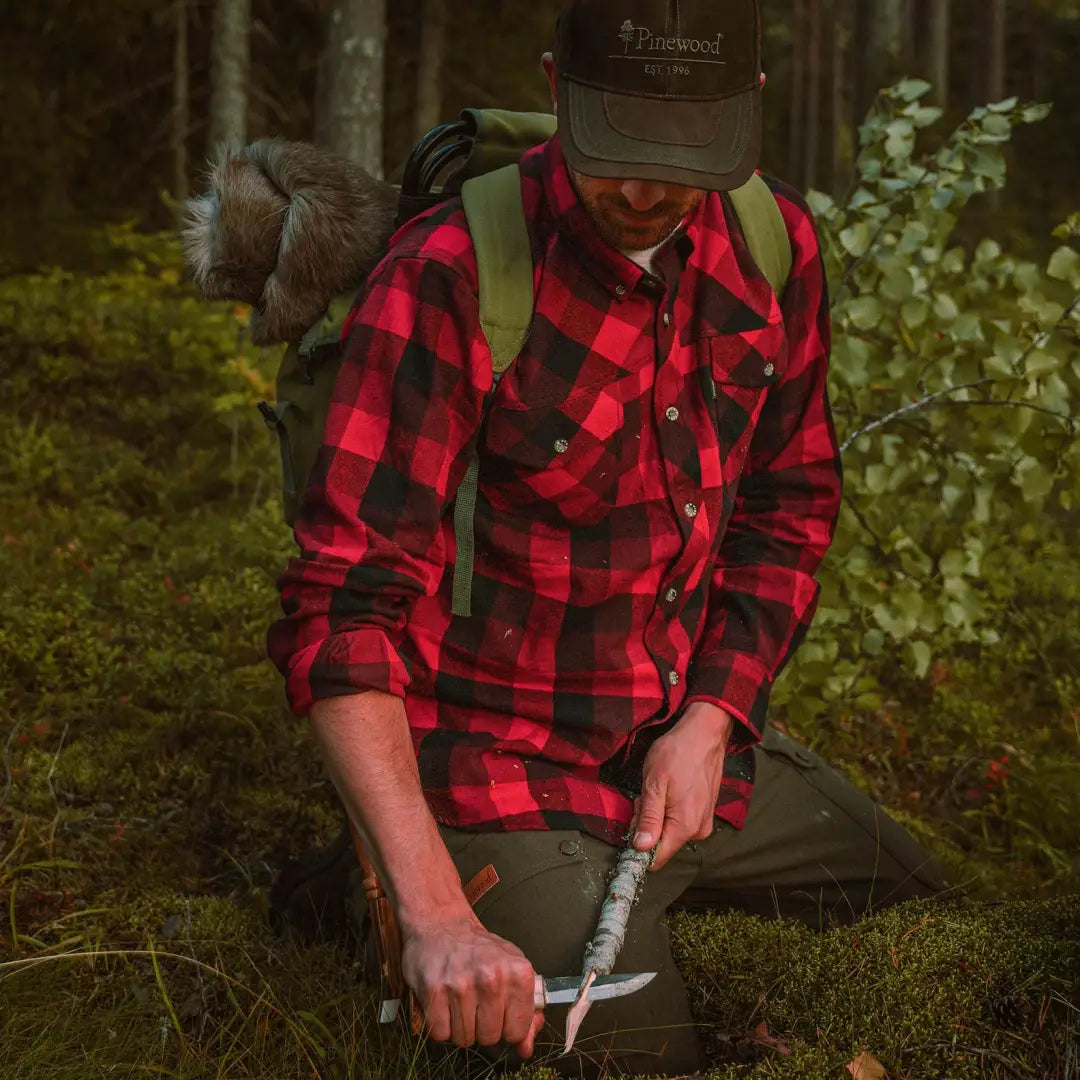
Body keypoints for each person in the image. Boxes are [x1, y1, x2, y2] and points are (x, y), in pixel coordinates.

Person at [267, 0, 948, 1075]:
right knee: (638, 1057)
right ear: (557, 86)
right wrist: (440, 917)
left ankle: (576, 893)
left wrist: (717, 714)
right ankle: (390, 880)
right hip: (494, 760)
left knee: (938, 923)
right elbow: (344, 605)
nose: (645, 191)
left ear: (745, 110)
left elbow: (790, 497)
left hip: (673, 753)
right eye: (617, 150)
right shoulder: (447, 273)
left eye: (684, 155)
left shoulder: (774, 247)